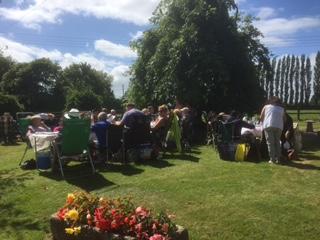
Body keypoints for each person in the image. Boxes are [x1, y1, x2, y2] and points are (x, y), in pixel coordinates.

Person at [260, 96, 285, 164]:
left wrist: (262, 124)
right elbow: (284, 119)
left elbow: (261, 117)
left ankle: (272, 159)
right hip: (279, 126)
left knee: (270, 143)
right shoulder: (282, 109)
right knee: (277, 142)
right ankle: (279, 159)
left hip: (269, 125)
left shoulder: (266, 107)